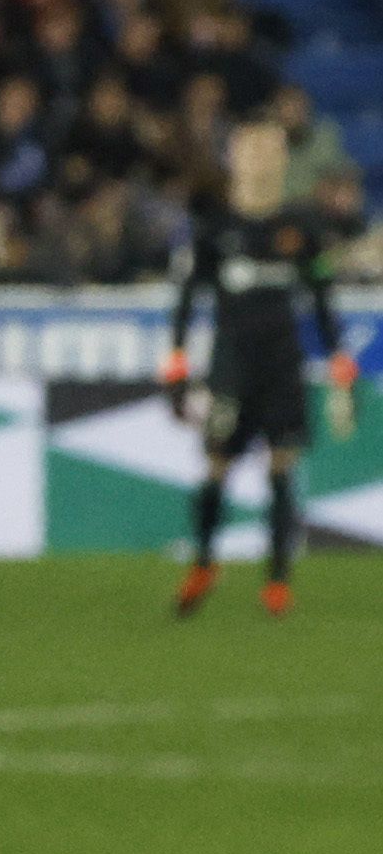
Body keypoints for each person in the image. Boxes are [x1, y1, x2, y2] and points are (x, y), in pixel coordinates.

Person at [164, 117, 349, 619]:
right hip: (231, 366)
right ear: (234, 157)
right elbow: (185, 299)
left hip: (282, 364)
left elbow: (321, 295)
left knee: (282, 464)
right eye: (252, 149)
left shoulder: (301, 225)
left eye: (272, 150)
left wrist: (339, 363)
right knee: (217, 465)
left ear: (284, 160)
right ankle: (204, 561)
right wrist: (176, 367)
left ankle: (277, 580)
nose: (263, 158)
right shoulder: (214, 225)